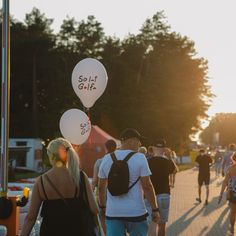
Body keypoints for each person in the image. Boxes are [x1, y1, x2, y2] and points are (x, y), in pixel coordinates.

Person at [21, 138, 99, 236]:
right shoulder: (81, 177)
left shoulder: (41, 182)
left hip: (50, 231)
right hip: (78, 230)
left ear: (51, 156)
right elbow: (94, 209)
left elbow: (31, 217)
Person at [98, 128, 160, 236]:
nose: (140, 144)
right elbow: (147, 186)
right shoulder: (140, 158)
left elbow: (101, 187)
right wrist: (155, 209)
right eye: (138, 140)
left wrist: (103, 207)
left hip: (113, 213)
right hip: (136, 213)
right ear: (131, 141)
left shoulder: (107, 158)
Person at [147, 140, 177, 236]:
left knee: (152, 224)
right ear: (164, 149)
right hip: (164, 194)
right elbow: (175, 170)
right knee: (162, 224)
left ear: (153, 148)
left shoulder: (147, 162)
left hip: (150, 196)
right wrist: (169, 157)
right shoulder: (167, 162)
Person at [218, 152, 236, 235]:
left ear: (233, 158)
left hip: (233, 193)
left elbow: (225, 182)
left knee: (233, 211)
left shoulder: (230, 168)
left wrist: (221, 194)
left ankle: (232, 229)